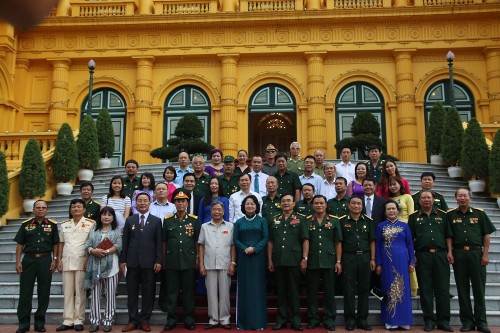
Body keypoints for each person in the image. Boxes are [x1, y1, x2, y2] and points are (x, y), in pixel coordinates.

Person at [447, 188, 496, 333]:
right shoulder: (450, 215)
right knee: (462, 290)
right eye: (459, 196)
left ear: (470, 198)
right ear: (456, 198)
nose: (462, 198)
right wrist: (450, 252)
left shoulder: (479, 214)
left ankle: (481, 322)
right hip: (459, 254)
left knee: (479, 290)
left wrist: (485, 254)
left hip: (476, 254)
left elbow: (486, 235)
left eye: (465, 195)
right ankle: (467, 322)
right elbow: (448, 236)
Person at [408, 190, 453, 332]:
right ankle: (429, 320)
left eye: (429, 197)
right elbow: (410, 239)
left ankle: (443, 321)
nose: (426, 200)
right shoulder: (414, 217)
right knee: (425, 289)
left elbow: (448, 236)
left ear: (433, 200)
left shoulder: (443, 215)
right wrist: (413, 255)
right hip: (423, 256)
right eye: (423, 198)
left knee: (443, 289)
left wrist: (450, 252)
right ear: (419, 201)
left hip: (441, 255)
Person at [14, 200, 59, 333]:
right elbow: (20, 244)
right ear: (33, 210)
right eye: (38, 207)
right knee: (25, 293)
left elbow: (55, 244)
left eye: (43, 207)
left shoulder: (52, 225)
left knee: (44, 292)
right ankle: (23, 323)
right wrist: (18, 261)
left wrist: (55, 260)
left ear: (46, 210)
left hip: (45, 260)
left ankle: (39, 322)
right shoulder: (26, 225)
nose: (40, 209)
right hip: (28, 261)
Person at [120, 193, 162, 333]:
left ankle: (144, 320)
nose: (142, 203)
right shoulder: (130, 220)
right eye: (140, 201)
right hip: (132, 262)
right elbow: (125, 242)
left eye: (145, 201)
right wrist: (122, 260)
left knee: (148, 293)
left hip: (149, 263)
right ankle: (132, 321)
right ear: (135, 203)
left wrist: (158, 260)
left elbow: (158, 243)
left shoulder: (156, 221)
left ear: (150, 203)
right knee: (131, 294)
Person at [268, 194, 309, 331]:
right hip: (278, 260)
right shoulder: (275, 219)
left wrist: (304, 258)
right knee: (281, 292)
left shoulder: (301, 219)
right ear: (280, 204)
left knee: (293, 291)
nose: (286, 203)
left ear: (293, 203)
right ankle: (281, 319)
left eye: (288, 201)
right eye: (283, 201)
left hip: (294, 260)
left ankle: (295, 320)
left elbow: (305, 240)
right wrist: (269, 260)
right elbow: (271, 241)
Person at [162, 189, 201, 331]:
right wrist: (164, 260)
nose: (180, 203)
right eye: (178, 201)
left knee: (188, 292)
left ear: (187, 203)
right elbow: (164, 242)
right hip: (172, 261)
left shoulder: (194, 220)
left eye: (183, 201)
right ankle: (171, 319)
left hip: (188, 260)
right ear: (174, 203)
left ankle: (189, 319)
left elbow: (197, 241)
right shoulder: (167, 220)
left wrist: (197, 258)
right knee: (172, 292)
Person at [375, 200, 415, 331]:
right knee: (388, 288)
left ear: (398, 211)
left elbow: (409, 244)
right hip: (387, 262)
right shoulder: (381, 226)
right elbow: (378, 245)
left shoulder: (405, 226)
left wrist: (411, 261)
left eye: (393, 209)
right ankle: (390, 319)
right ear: (385, 212)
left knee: (403, 288)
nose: (391, 211)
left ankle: (404, 320)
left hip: (403, 261)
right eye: (388, 209)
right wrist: (378, 263)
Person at [56, 199, 95, 332]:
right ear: (70, 209)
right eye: (73, 207)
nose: (76, 209)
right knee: (67, 292)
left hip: (81, 261)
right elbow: (61, 243)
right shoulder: (64, 224)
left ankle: (78, 319)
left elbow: (91, 243)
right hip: (67, 260)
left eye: (79, 207)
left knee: (80, 292)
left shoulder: (91, 224)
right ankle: (68, 320)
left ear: (84, 209)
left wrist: (88, 260)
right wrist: (59, 260)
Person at [339, 196, 376, 331]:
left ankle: (362, 319)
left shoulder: (368, 221)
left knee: (364, 289)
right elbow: (339, 243)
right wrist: (339, 261)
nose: (356, 206)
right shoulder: (342, 221)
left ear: (362, 206)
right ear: (348, 205)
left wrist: (372, 259)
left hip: (365, 258)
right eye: (353, 203)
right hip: (348, 258)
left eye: (359, 204)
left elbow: (372, 241)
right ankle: (349, 319)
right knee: (348, 289)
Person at [306, 195, 342, 331]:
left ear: (326, 205)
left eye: (321, 203)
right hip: (313, 260)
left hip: (329, 260)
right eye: (316, 203)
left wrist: (338, 261)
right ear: (313, 205)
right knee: (312, 291)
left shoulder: (334, 221)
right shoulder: (307, 221)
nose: (319, 205)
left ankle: (329, 319)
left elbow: (337, 242)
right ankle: (313, 318)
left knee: (329, 291)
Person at [84, 207, 123, 333]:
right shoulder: (94, 230)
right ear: (100, 217)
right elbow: (87, 245)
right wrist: (93, 251)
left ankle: (108, 320)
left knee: (110, 295)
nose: (106, 217)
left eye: (109, 215)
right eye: (104, 215)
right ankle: (94, 321)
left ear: (113, 218)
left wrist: (105, 252)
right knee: (95, 295)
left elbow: (118, 246)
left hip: (112, 267)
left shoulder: (117, 231)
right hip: (95, 267)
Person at [233, 195, 268, 330]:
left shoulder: (262, 221)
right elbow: (235, 240)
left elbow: (265, 238)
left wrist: (255, 249)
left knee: (257, 289)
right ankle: (243, 323)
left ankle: (258, 322)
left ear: (256, 206)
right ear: (243, 206)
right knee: (245, 289)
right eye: (247, 204)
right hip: (243, 258)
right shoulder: (239, 222)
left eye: (252, 204)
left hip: (258, 258)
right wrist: (244, 249)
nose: (250, 206)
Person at [198, 201, 236, 330]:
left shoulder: (230, 226)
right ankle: (213, 319)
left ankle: (225, 319)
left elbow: (232, 246)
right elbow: (201, 246)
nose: (217, 212)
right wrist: (201, 264)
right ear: (211, 211)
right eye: (215, 209)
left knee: (225, 293)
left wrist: (232, 263)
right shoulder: (204, 226)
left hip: (225, 263)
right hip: (209, 264)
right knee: (211, 293)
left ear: (224, 211)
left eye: (220, 209)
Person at [149, 182, 176, 312]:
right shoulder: (149, 207)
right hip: (151, 242)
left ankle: (163, 301)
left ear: (167, 192)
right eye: (158, 189)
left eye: (163, 189)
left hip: (168, 242)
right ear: (154, 192)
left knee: (166, 273)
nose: (161, 191)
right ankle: (149, 301)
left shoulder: (173, 207)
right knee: (151, 272)